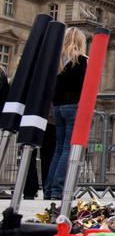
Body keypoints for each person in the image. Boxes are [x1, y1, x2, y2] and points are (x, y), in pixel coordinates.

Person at [44, 26, 88, 200]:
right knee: (68, 149)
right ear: (80, 42)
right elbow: (85, 86)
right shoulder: (81, 60)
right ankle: (58, 189)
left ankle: (49, 189)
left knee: (58, 149)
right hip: (73, 106)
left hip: (57, 107)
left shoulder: (58, 60)